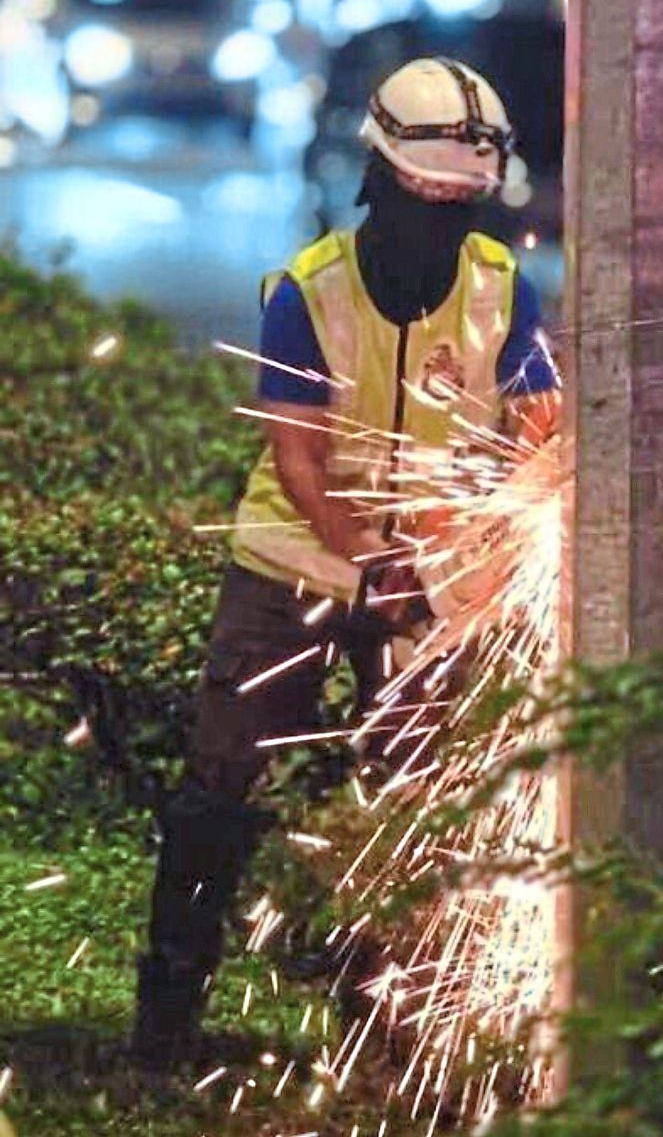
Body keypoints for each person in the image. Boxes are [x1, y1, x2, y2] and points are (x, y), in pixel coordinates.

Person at [131, 57, 560, 1068]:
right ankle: (164, 1021)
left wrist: (497, 531)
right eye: (428, 197)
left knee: (417, 801)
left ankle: (392, 1029)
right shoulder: (309, 290)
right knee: (222, 780)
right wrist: (365, 558)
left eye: (464, 202)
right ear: (380, 180)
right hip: (294, 560)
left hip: (438, 576)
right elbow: (299, 453)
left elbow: (541, 431)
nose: (445, 219)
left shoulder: (502, 290)